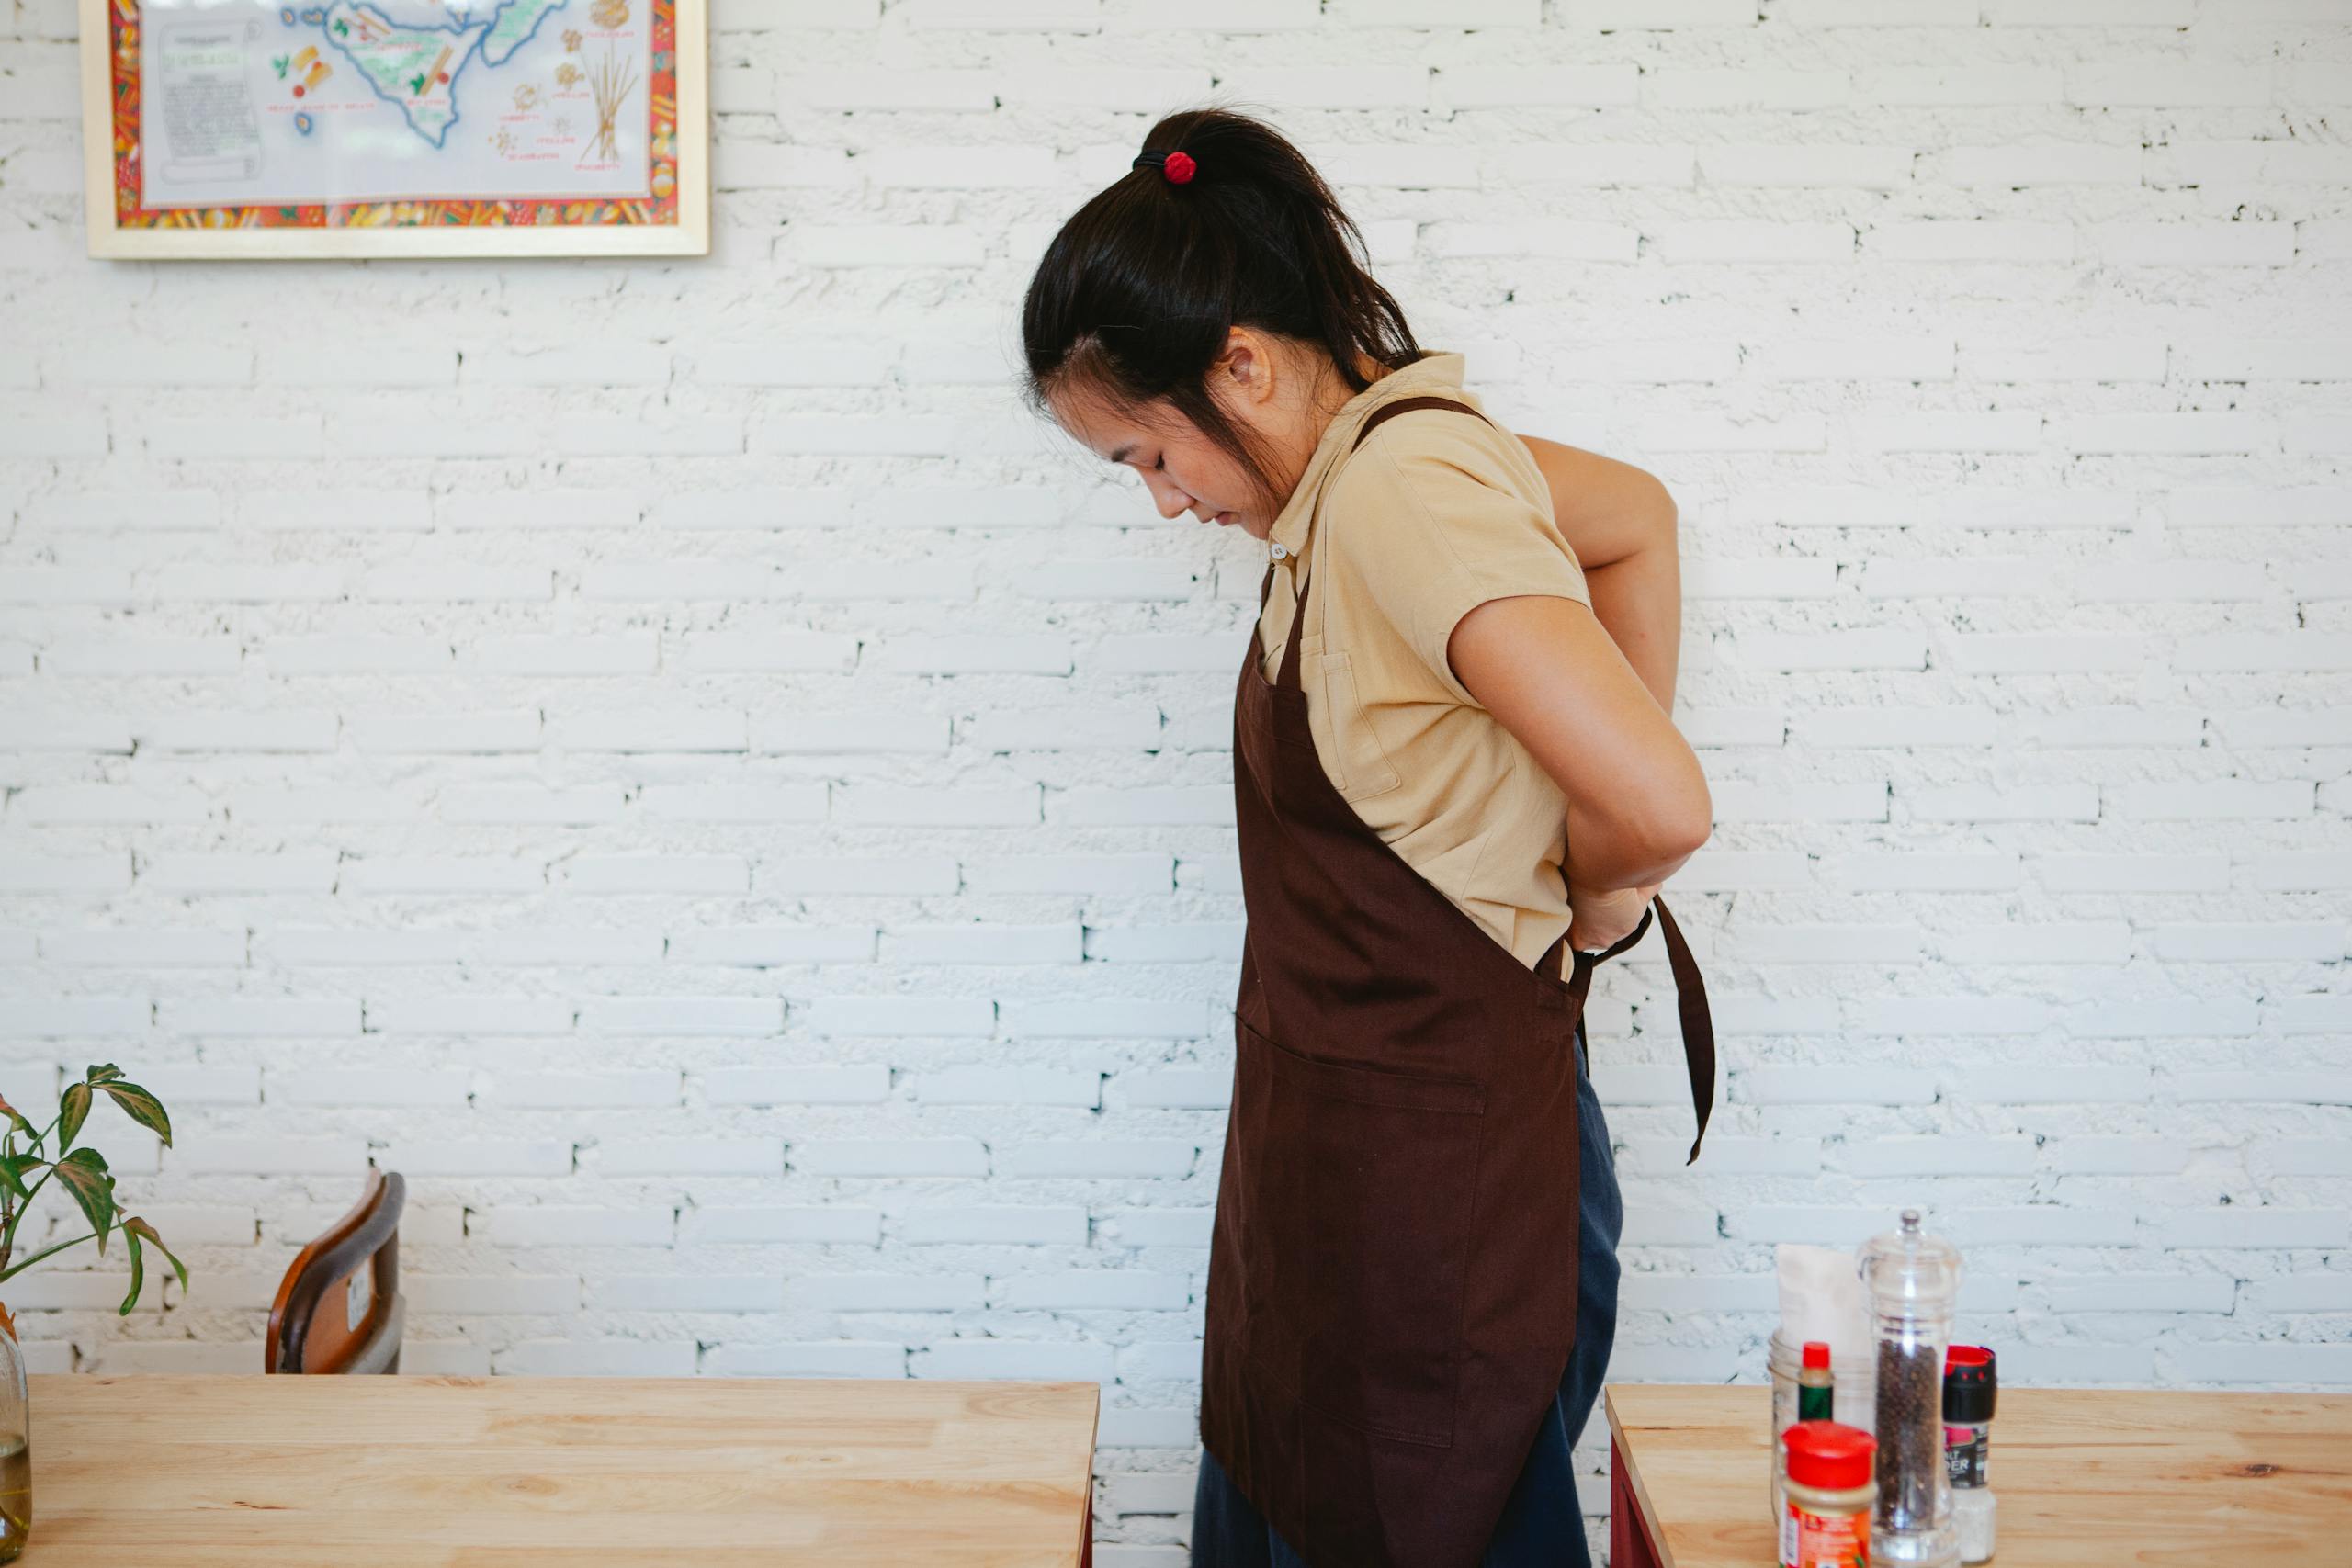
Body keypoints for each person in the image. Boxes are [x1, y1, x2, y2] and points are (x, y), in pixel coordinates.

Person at [1020, 107, 1717, 1568]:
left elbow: (1657, 803)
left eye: (1152, 455)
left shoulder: (1404, 489)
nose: (1163, 503)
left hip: (1435, 1200)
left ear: (1245, 364)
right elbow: (1632, 517)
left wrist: (1592, 902)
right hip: (1330, 1165)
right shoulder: (1349, 490)